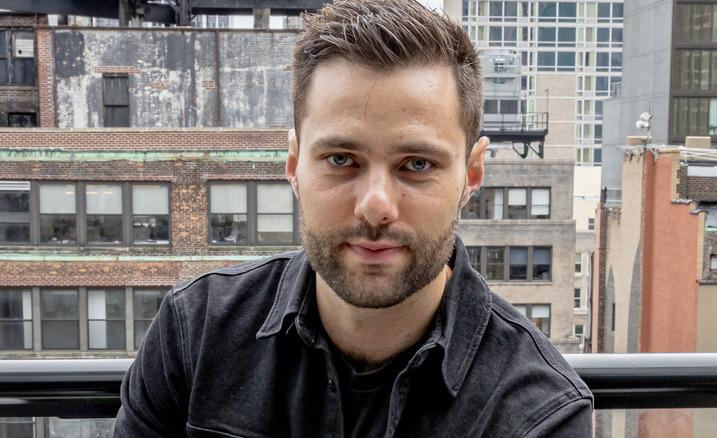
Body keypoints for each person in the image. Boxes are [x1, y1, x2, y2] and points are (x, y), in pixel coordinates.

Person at [114, 0, 593, 436]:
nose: (376, 206)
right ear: (293, 165)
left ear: (471, 175)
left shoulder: (539, 412)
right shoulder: (195, 332)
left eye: (417, 164)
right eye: (342, 159)